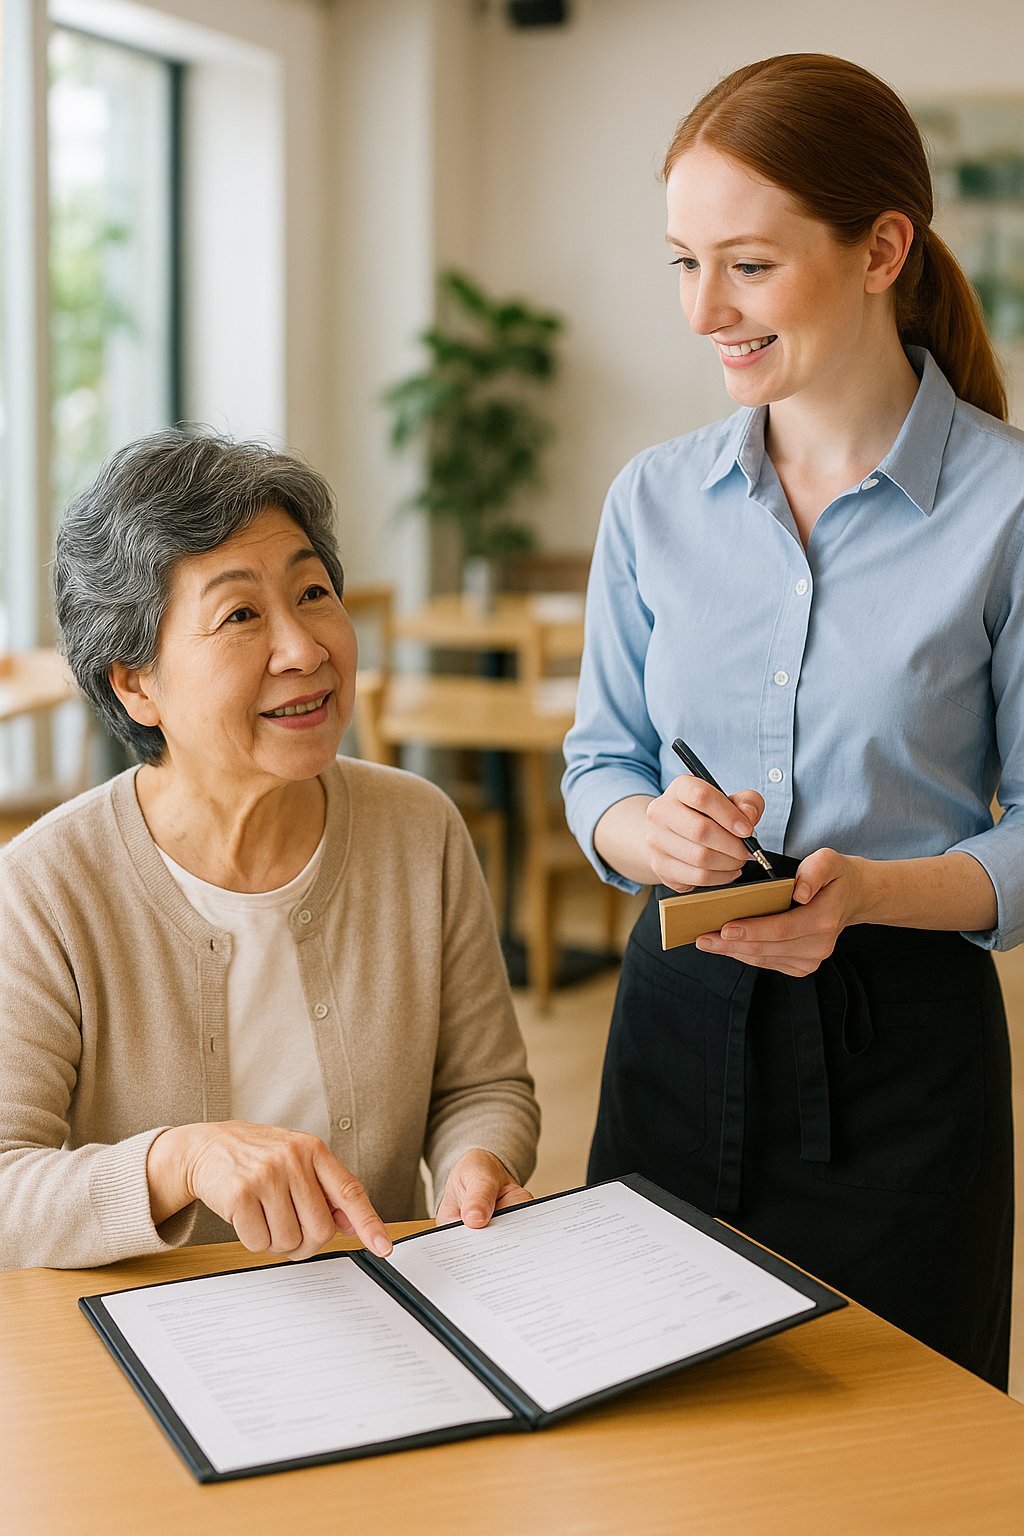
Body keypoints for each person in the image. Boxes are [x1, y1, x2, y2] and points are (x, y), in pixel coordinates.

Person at [563, 54, 1021, 1389]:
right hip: (670, 1034)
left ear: (884, 248)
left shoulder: (1008, 511)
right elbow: (599, 764)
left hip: (903, 1068)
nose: (704, 309)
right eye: (681, 262)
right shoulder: (649, 504)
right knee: (653, 1447)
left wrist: (872, 890)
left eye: (748, 266)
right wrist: (651, 831)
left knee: (901, 1469)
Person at [0, 432, 539, 1270]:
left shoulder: (417, 828)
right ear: (135, 684)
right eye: (241, 615)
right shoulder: (43, 888)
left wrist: (479, 1162)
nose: (305, 649)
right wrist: (176, 1160)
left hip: (387, 1317)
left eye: (314, 593)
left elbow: (483, 1086)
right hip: (149, 1348)